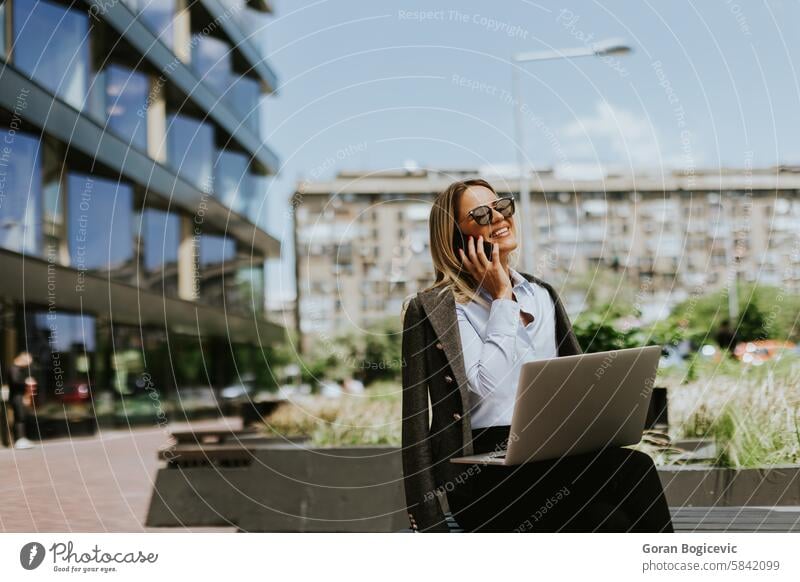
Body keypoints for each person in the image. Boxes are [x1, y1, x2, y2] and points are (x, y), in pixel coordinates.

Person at [400, 179, 674, 532]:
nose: (498, 218)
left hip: (553, 455)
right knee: (631, 469)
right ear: (455, 237)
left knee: (608, 520)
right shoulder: (433, 308)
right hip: (482, 474)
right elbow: (442, 407)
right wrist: (501, 299)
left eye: (502, 207)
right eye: (481, 214)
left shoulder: (542, 294)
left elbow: (572, 379)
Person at [8, 352, 35, 450]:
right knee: (19, 418)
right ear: (22, 359)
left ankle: (22, 439)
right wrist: (26, 382)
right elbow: (15, 381)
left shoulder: (18, 369)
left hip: (19, 396)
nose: (28, 364)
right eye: (27, 362)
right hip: (16, 397)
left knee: (22, 417)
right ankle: (19, 440)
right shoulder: (13, 368)